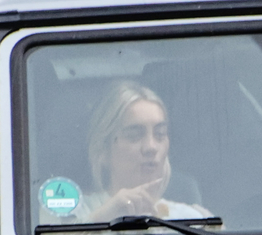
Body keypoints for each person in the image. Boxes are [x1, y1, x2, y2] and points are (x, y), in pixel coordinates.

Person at [80, 80, 208, 220]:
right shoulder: (70, 215)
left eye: (160, 134)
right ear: (103, 150)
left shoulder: (190, 220)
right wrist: (101, 219)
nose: (151, 147)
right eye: (134, 136)